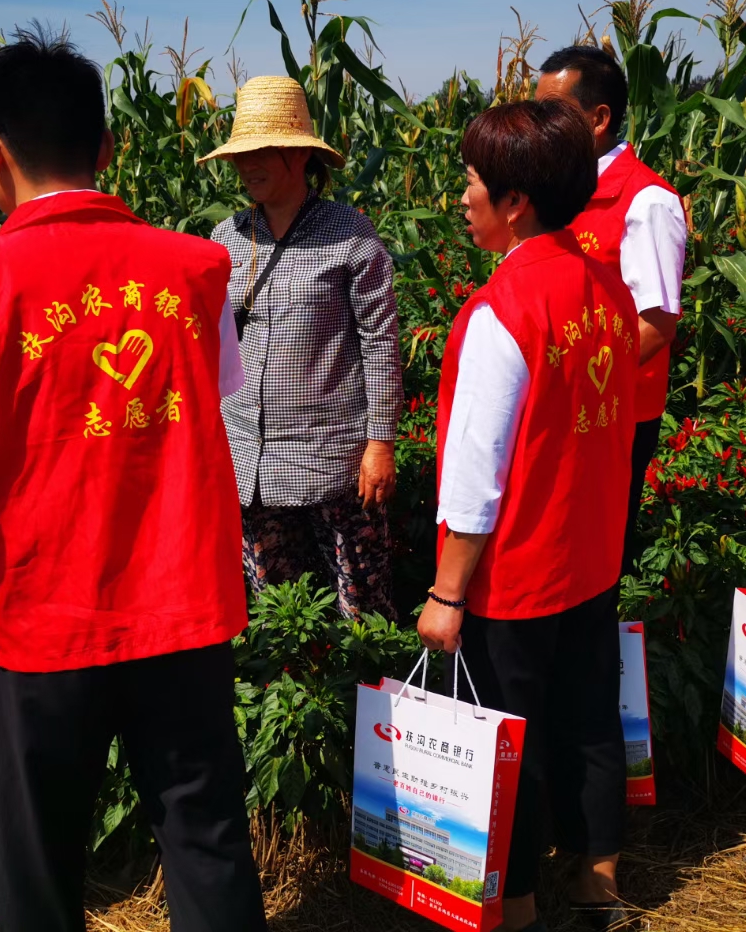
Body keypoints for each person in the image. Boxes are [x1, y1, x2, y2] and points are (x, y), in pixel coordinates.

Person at [0, 33, 266, 932]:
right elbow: (204, 407)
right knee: (207, 836)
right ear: (106, 146)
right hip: (185, 611)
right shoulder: (196, 271)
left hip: (44, 622)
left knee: (41, 857)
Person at [417, 98, 640, 932]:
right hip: (590, 554)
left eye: (472, 181)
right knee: (589, 716)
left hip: (517, 572)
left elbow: (476, 473)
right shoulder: (605, 287)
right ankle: (597, 875)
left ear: (514, 202)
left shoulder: (502, 310)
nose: (462, 196)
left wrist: (447, 592)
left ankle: (514, 909)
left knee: (508, 743)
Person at [203, 76, 403, 620]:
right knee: (278, 612)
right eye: (240, 155)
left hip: (333, 460)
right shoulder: (226, 238)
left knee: (361, 606)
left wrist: (381, 444)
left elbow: (380, 344)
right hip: (250, 461)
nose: (245, 167)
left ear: (297, 154)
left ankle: (367, 676)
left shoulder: (350, 235)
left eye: (259, 153)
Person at [536, 46, 687, 585]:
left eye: (552, 111)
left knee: (594, 554)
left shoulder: (646, 202)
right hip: (563, 401)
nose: (540, 124)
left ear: (598, 119)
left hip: (610, 410)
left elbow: (658, 323)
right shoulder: (561, 190)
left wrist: (579, 384)